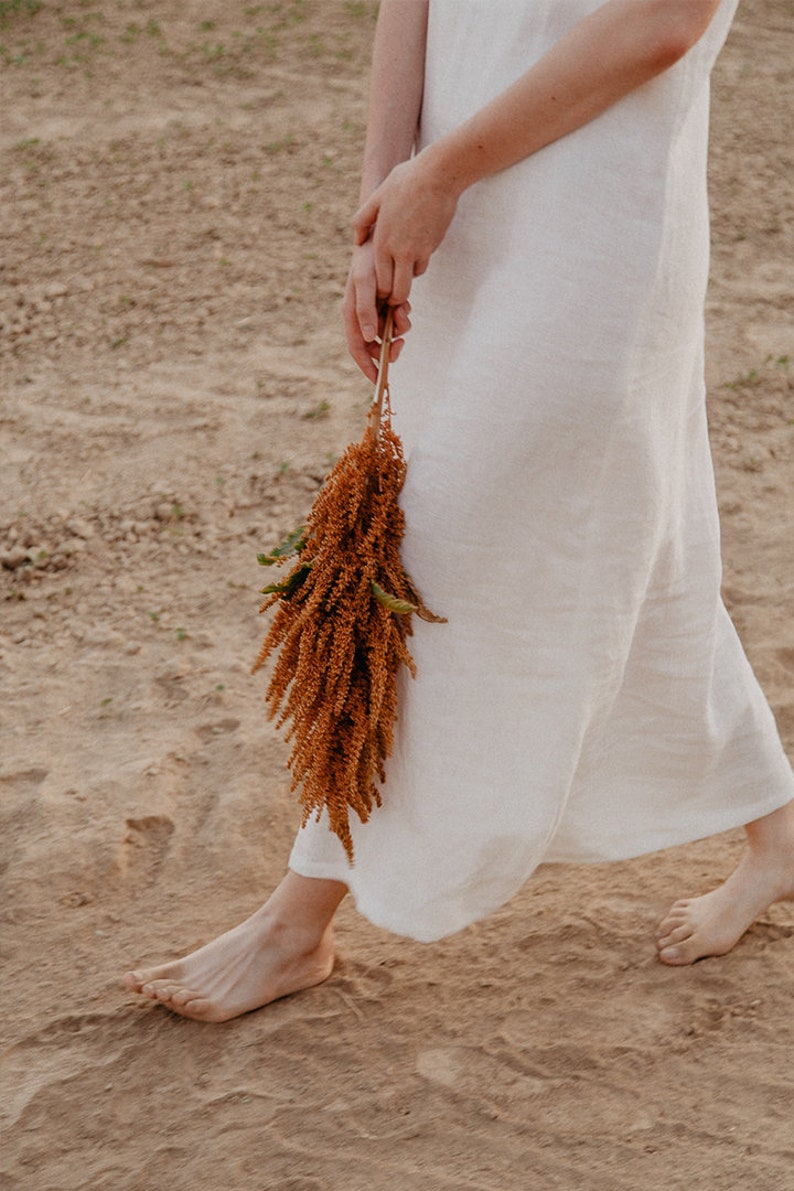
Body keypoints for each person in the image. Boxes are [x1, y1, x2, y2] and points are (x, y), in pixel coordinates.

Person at [124, 0, 794, 1023]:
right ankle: (781, 837)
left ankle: (295, 921)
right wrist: (380, 206)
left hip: (587, 226)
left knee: (448, 551)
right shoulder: (424, 194)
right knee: (623, 540)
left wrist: (434, 176)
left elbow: (661, 20)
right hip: (449, 211)